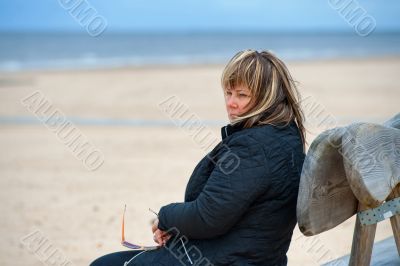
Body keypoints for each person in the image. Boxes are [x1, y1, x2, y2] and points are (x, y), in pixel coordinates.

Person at [90, 49, 306, 266]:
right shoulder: (287, 136)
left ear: (266, 98)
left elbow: (208, 217)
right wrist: (176, 229)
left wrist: (165, 218)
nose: (231, 103)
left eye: (242, 95)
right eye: (228, 93)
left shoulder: (252, 147)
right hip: (250, 256)